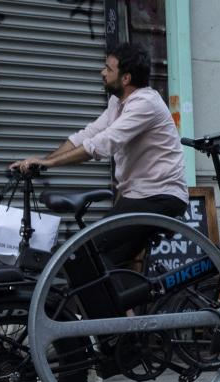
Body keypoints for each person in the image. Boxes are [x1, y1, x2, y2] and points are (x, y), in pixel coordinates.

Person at [12, 42, 187, 264]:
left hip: (159, 197)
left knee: (86, 251)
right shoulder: (118, 102)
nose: (102, 72)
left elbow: (103, 143)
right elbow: (88, 134)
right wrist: (42, 161)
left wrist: (50, 165)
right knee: (106, 264)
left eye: (108, 69)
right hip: (137, 196)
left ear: (126, 79)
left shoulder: (145, 104)